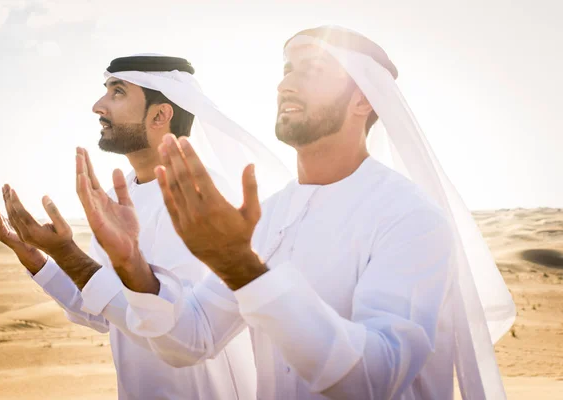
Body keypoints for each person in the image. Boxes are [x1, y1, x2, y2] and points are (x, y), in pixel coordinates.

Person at [77, 27, 516, 399]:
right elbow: (191, 340)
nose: (285, 85)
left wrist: (243, 268)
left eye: (312, 71)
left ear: (362, 100)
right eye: (287, 71)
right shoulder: (269, 216)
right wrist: (130, 264)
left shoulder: (409, 218)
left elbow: (374, 379)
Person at [0, 54, 291, 400]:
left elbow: (175, 329)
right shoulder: (118, 197)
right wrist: (34, 256)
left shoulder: (201, 197)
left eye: (118, 92)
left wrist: (68, 253)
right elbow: (108, 313)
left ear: (160, 115)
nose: (99, 106)